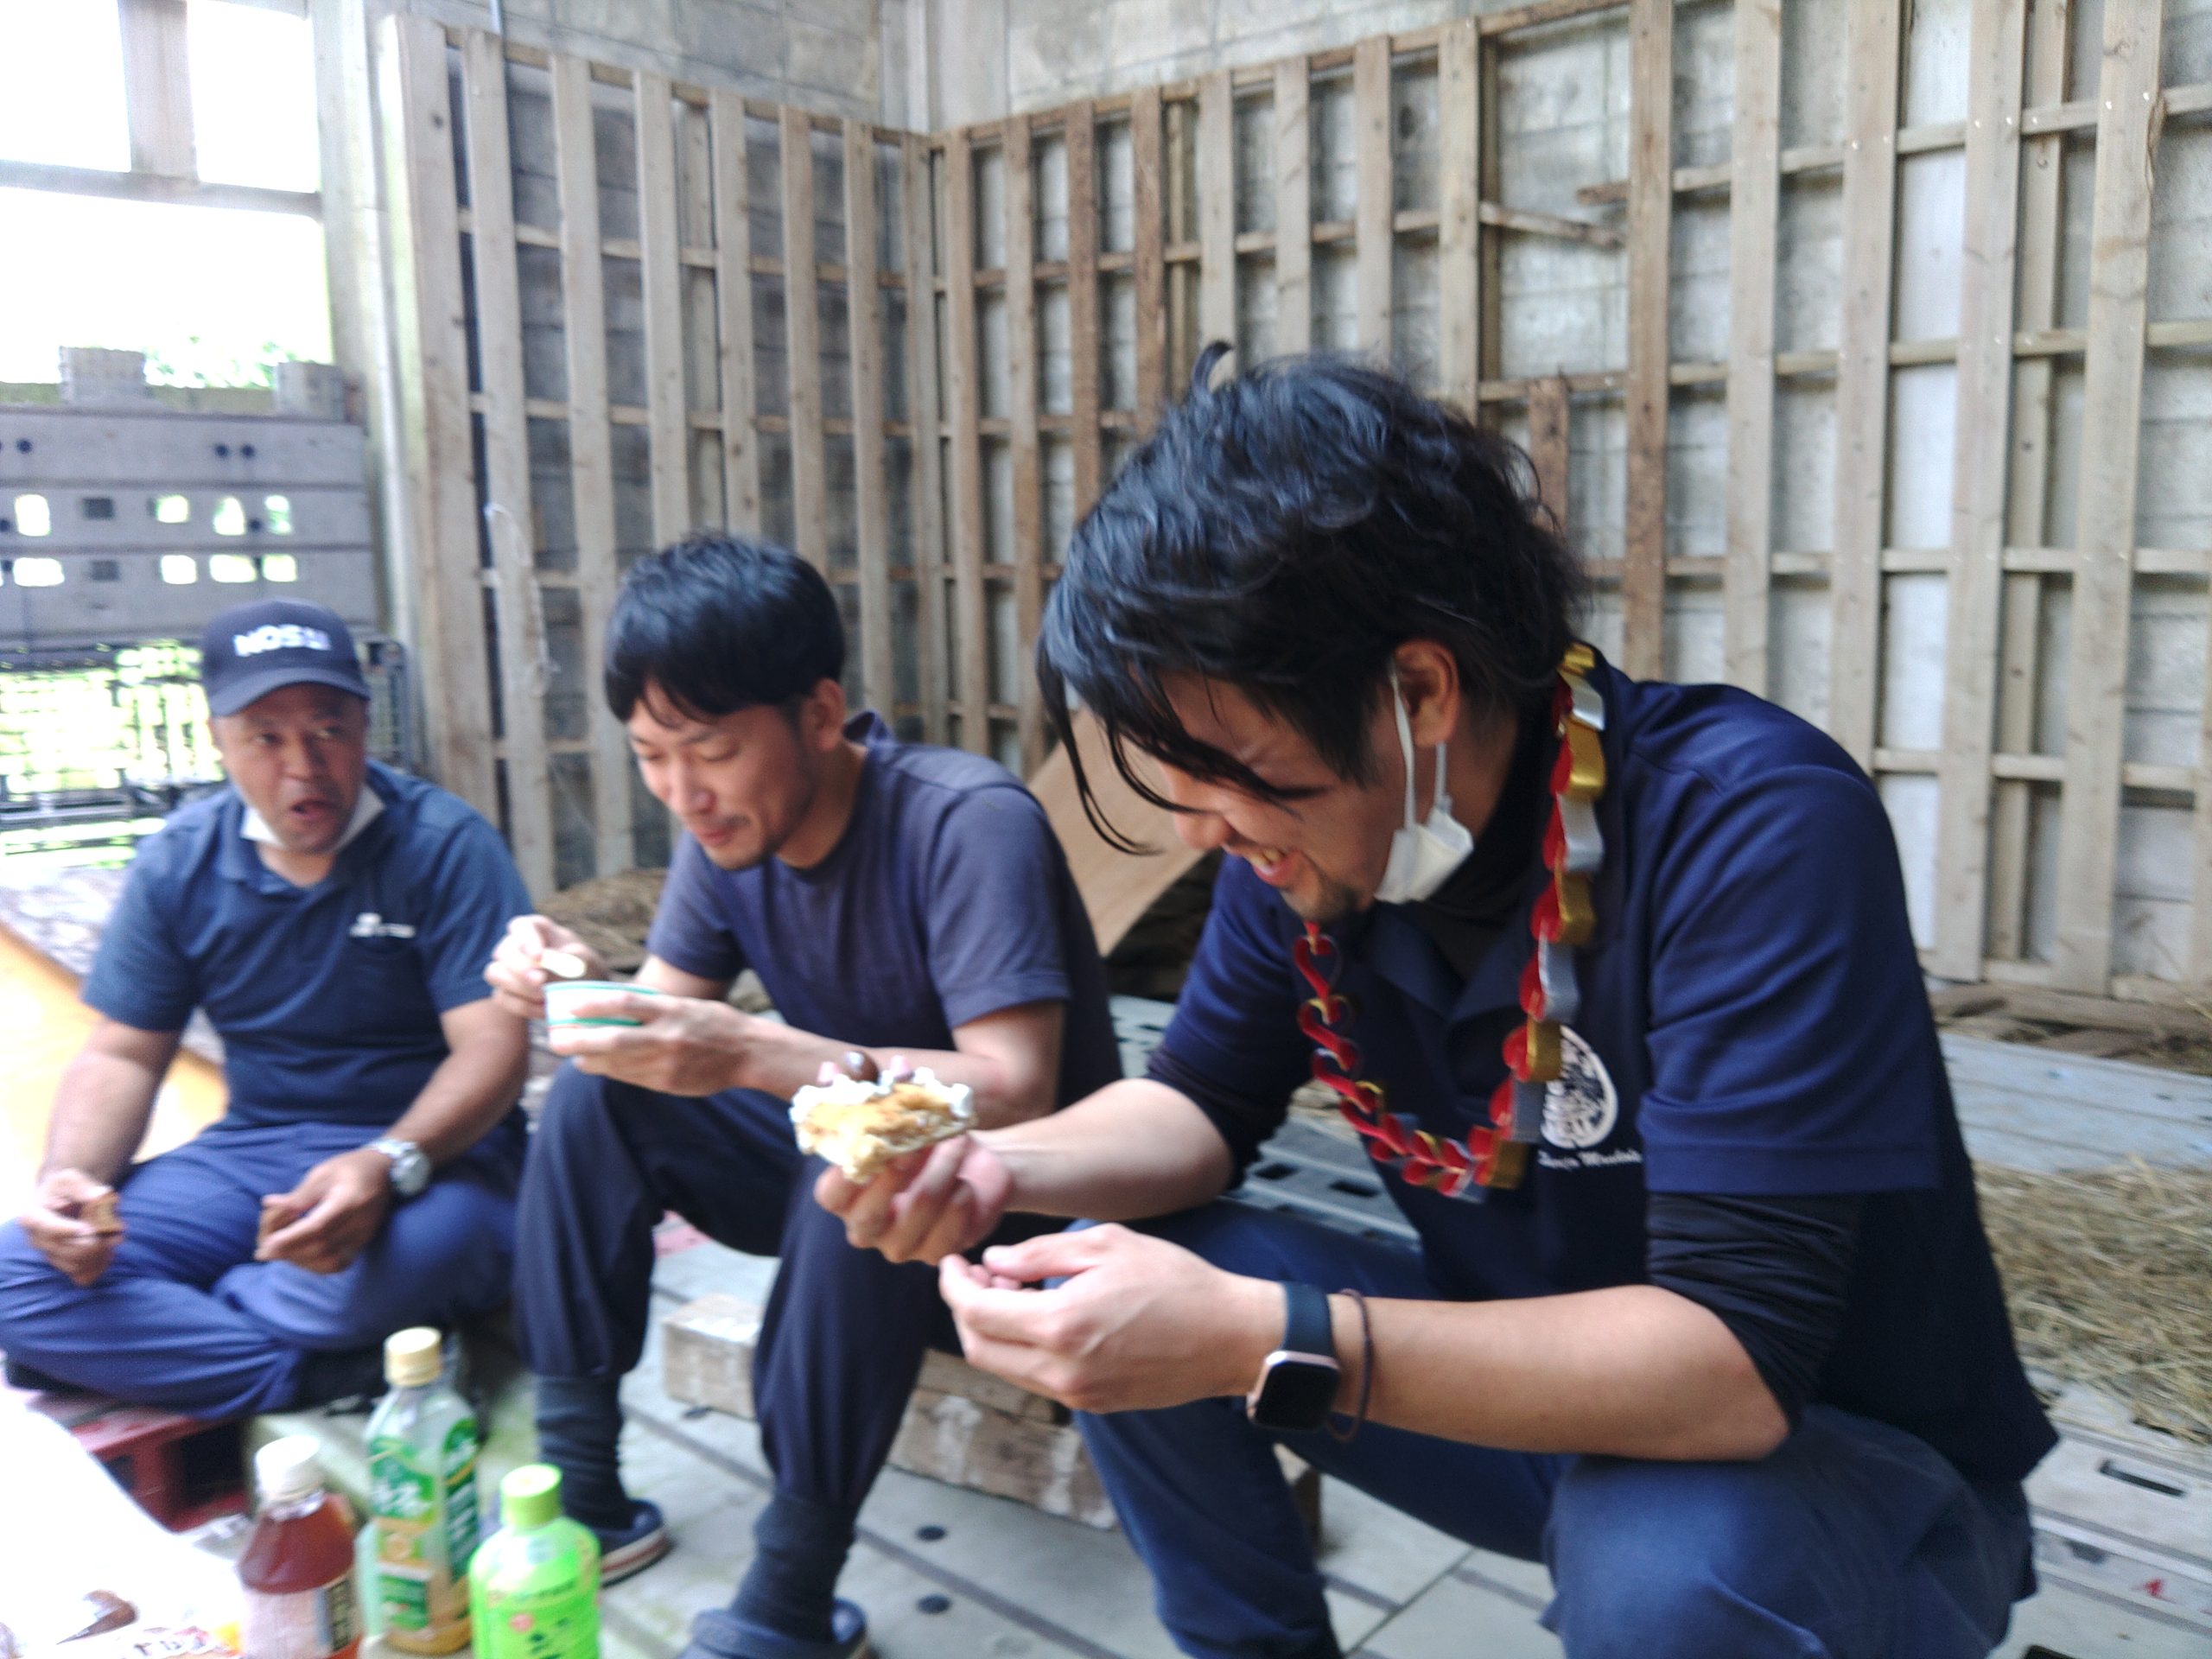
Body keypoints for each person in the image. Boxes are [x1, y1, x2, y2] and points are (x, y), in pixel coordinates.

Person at [821, 351, 2057, 1659]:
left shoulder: (1749, 826)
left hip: (1828, 1476)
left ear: (1418, 691)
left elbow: (1733, 1370)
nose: (1196, 827)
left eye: (1222, 765)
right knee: (1099, 1262)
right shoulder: (1306, 850)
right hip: (1530, 1413)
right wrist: (984, 1165)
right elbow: (1196, 1103)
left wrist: (1255, 1337)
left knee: (1665, 1569)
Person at [483, 532, 1117, 1656]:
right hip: (859, 1198)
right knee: (593, 1100)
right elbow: (662, 1036)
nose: (683, 793)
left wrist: (750, 1052)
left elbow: (1017, 1090)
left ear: (821, 715)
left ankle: (789, 1595)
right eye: (651, 756)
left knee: (860, 1151)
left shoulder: (965, 822)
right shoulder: (724, 833)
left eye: (713, 750)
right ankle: (581, 1489)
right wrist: (576, 992)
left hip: (1026, 1210)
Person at [0, 599, 531, 1420]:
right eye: (266, 737)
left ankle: (169, 1340)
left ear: (365, 726)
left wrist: (387, 1161)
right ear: (219, 739)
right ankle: (321, 1373)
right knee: (21, 1275)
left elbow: (492, 1049)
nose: (303, 767)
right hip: (254, 1154)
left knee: (408, 1266)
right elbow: (123, 1053)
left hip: (434, 1160)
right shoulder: (180, 862)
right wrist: (71, 1187)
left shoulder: (445, 846)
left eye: (328, 730)